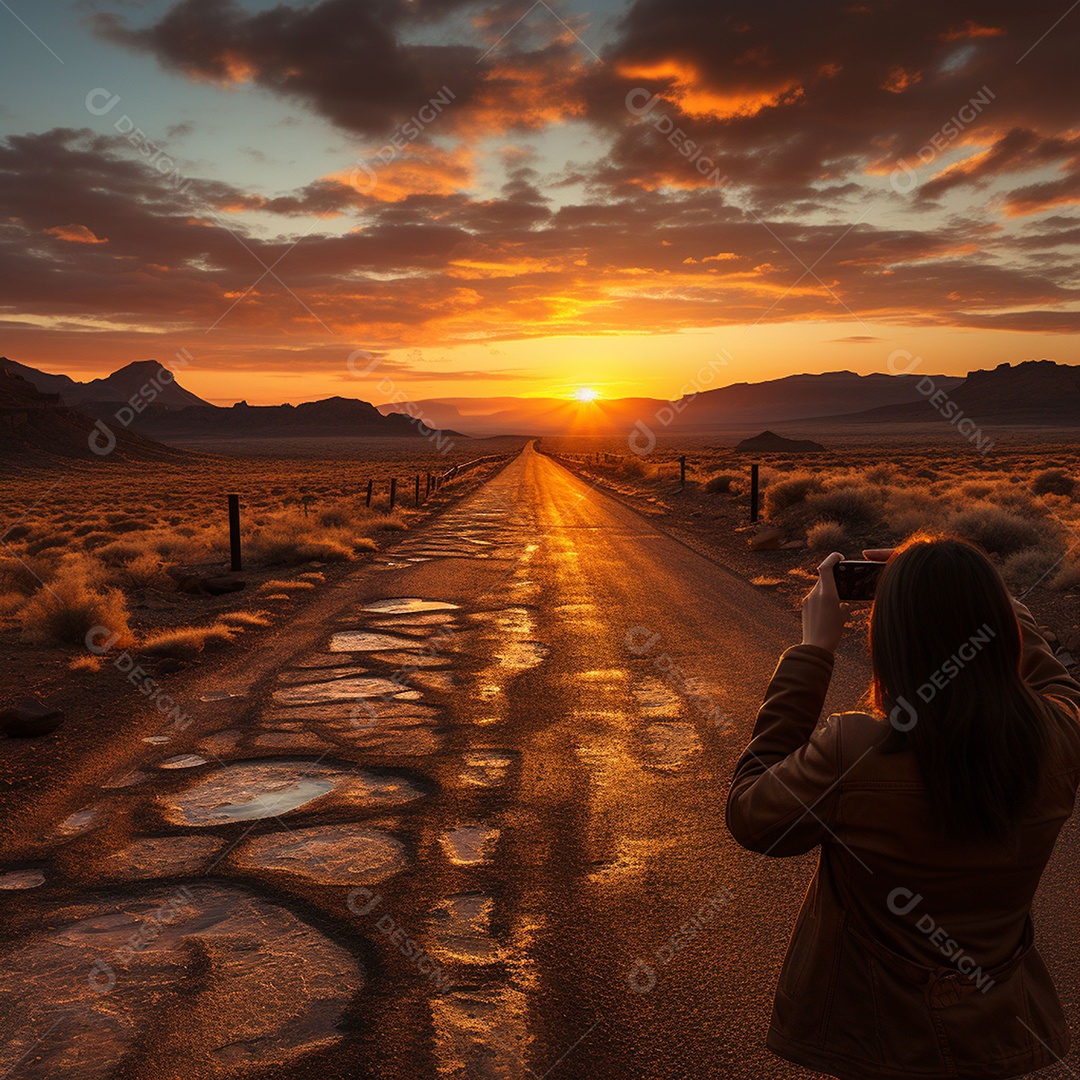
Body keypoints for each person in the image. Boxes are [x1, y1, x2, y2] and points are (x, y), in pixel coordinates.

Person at [726, 535, 1080, 1080]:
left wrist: (813, 652)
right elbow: (1058, 685)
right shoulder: (1060, 736)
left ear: (890, 641)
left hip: (876, 1037)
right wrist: (983, 599)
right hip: (996, 1030)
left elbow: (752, 815)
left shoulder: (853, 751)